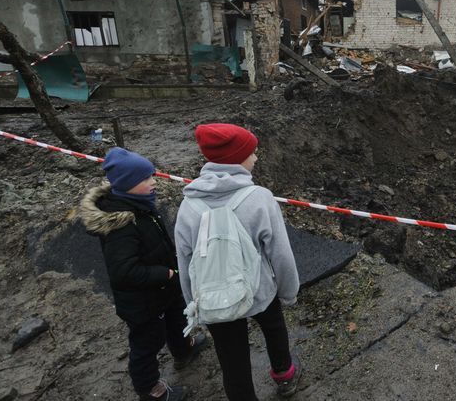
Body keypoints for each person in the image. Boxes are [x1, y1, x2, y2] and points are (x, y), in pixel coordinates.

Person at [174, 123, 301, 400]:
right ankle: (284, 375)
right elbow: (280, 254)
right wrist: (289, 293)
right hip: (260, 291)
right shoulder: (259, 199)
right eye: (252, 153)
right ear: (236, 158)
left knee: (232, 361)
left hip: (215, 300)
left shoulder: (188, 205)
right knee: (274, 328)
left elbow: (185, 262)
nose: (256, 158)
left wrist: (193, 305)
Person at [75, 147, 206, 401]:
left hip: (164, 289)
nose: (153, 181)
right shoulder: (121, 225)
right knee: (147, 344)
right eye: (146, 179)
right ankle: (150, 389)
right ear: (128, 185)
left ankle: (184, 349)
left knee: (177, 319)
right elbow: (123, 271)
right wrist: (164, 273)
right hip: (143, 302)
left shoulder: (141, 205)